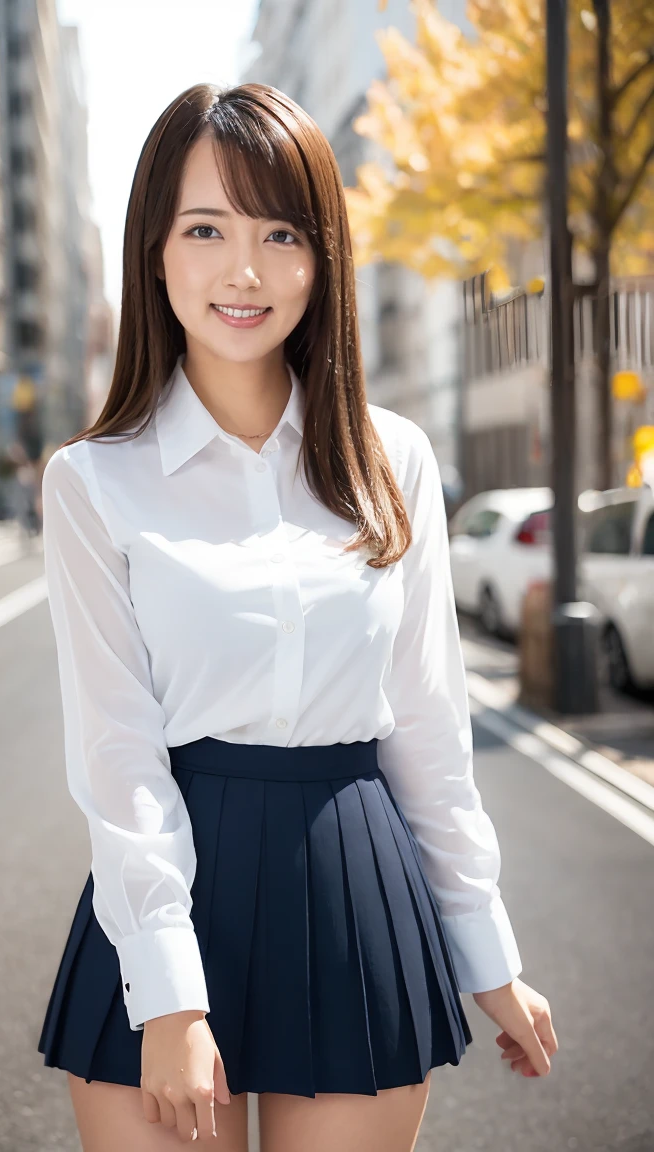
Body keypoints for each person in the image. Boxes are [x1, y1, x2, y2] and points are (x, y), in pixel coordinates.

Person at [36, 83, 557, 1152]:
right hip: (167, 892)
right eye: (205, 229)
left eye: (281, 232)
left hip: (352, 891)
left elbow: (426, 726)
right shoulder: (95, 482)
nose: (244, 270)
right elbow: (117, 754)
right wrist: (172, 994)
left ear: (323, 259)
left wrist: (487, 951)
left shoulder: (392, 457)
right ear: (156, 253)